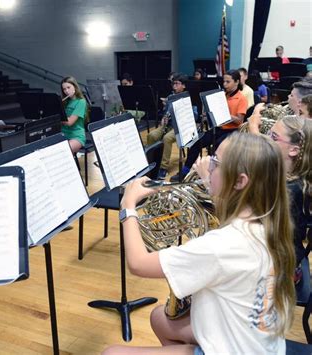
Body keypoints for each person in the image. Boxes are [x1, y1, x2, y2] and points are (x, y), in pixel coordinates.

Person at [103, 133, 295, 354]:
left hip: (236, 348)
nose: (208, 165)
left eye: (216, 162)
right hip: (257, 341)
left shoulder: (222, 245)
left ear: (241, 181)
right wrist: (211, 183)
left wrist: (128, 205)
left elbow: (138, 263)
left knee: (111, 353)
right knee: (159, 318)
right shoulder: (268, 223)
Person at [249, 111, 312, 282]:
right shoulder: (286, 174)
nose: (266, 139)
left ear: (293, 150)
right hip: (272, 253)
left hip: (280, 268)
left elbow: (252, 229)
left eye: (273, 137)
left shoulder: (290, 191)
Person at [171, 69, 248, 181]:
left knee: (217, 147)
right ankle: (185, 172)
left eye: (228, 82)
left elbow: (239, 120)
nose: (224, 84)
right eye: (224, 81)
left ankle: (213, 176)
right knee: (196, 143)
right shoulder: (222, 95)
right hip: (218, 128)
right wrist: (208, 115)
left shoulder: (241, 98)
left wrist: (224, 114)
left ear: (236, 82)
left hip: (232, 131)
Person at [146, 73, 194, 180]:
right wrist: (164, 117)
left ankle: (163, 168)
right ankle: (152, 162)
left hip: (181, 127)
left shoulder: (189, 98)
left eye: (177, 84)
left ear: (184, 85)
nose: (174, 86)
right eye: (173, 84)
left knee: (167, 138)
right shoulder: (170, 97)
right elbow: (166, 112)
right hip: (168, 125)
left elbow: (194, 115)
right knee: (152, 135)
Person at [61, 76, 87, 154]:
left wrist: (58, 117)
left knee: (63, 152)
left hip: (76, 136)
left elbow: (69, 122)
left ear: (75, 87)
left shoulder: (81, 102)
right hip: (62, 134)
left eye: (68, 87)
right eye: (64, 89)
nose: (66, 91)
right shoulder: (65, 102)